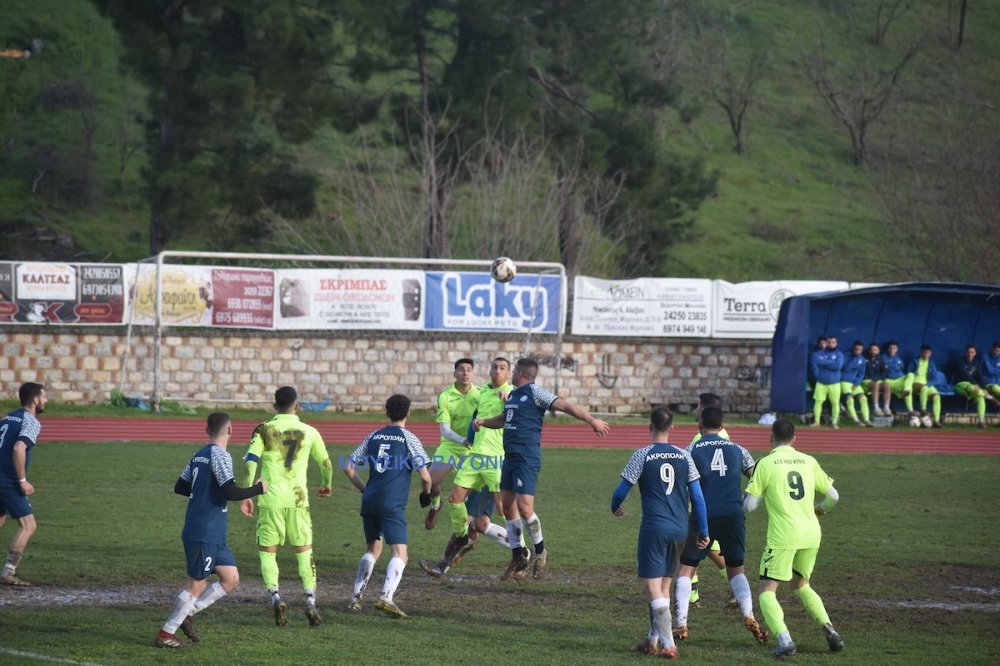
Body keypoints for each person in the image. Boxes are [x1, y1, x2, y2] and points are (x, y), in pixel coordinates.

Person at [476, 357, 610, 581]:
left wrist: (591, 420)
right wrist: (483, 422)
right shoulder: (513, 396)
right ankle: (518, 555)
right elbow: (503, 419)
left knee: (525, 509)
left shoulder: (536, 393)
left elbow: (565, 405)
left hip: (526, 458)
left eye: (513, 370)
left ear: (519, 372)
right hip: (509, 457)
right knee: (508, 508)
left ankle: (540, 551)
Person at [153, 413, 268, 648]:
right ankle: (166, 634)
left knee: (231, 579)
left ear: (207, 430)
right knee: (197, 584)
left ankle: (186, 614)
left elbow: (180, 486)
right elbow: (230, 492)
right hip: (203, 531)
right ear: (230, 430)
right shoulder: (221, 456)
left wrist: (204, 492)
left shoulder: (199, 455)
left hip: (215, 533)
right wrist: (257, 489)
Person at [610, 405, 709, 659]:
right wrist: (703, 529)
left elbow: (622, 490)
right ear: (672, 427)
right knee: (664, 586)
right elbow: (697, 497)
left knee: (651, 588)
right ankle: (652, 641)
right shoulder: (684, 455)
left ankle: (669, 645)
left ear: (650, 427)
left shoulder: (642, 455)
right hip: (680, 528)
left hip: (654, 528)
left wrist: (615, 505)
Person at [744, 418, 844, 658]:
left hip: (783, 537)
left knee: (767, 591)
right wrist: (820, 508)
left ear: (771, 437)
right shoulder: (808, 461)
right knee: (802, 585)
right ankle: (829, 628)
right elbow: (834, 496)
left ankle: (785, 639)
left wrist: (756, 495)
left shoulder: (765, 464)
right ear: (794, 438)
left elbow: (749, 506)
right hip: (811, 533)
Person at [672, 406, 767, 646]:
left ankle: (681, 622)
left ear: (699, 426)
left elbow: (680, 485)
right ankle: (749, 615)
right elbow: (757, 477)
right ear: (723, 426)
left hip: (704, 516)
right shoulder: (738, 449)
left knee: (686, 569)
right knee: (736, 569)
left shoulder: (691, 450)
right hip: (734, 515)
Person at [240, 386, 333, 627]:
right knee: (304, 552)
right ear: (297, 406)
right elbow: (325, 462)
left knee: (267, 552)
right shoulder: (310, 431)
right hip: (298, 500)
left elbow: (251, 462)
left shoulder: (263, 429)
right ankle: (310, 601)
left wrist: (247, 493)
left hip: (270, 500)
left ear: (274, 406)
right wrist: (326, 484)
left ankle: (276, 598)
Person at [420, 357, 519, 577]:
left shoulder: (512, 394)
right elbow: (472, 421)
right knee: (463, 508)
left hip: (494, 461)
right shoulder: (483, 392)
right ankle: (448, 555)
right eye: (494, 367)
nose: (496, 371)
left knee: (499, 513)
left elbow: (518, 415)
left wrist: (508, 402)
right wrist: (470, 435)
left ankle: (522, 552)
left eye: (502, 368)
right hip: (473, 456)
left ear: (509, 373)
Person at [343, 394, 433, 618]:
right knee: (400, 554)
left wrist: (365, 490)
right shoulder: (409, 438)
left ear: (386, 411)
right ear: (408, 413)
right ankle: (386, 597)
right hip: (391, 503)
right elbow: (425, 475)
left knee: (372, 549)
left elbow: (348, 467)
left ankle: (355, 599)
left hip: (370, 499)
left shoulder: (374, 435)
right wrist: (426, 493)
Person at [424, 358, 481, 530]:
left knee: (465, 495)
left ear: (473, 373)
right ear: (455, 373)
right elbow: (445, 430)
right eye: (461, 369)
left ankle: (466, 529)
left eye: (469, 369)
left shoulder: (481, 394)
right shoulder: (446, 396)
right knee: (429, 483)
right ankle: (435, 505)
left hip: (472, 449)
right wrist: (463, 440)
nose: (465, 373)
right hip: (450, 446)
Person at [0, 382, 47, 587]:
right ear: (35, 400)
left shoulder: (7, 418)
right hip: (8, 479)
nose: (45, 400)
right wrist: (22, 480)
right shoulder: (31, 421)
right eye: (44, 397)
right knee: (28, 525)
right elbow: (19, 448)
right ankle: (9, 572)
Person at [954, 344, 998, 429]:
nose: (970, 354)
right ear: (965, 352)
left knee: (980, 398)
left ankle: (981, 421)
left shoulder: (976, 363)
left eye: (972, 352)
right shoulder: (960, 361)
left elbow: (980, 377)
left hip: (974, 388)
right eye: (968, 352)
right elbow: (965, 375)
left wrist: (984, 389)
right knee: (972, 387)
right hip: (961, 385)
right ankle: (991, 398)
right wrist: (976, 384)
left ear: (975, 353)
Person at [905, 344, 943, 428]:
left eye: (927, 353)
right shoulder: (915, 361)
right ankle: (923, 409)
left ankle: (936, 420)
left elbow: (934, 378)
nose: (925, 355)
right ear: (920, 352)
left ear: (930, 353)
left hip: (927, 384)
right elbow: (909, 373)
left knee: (937, 397)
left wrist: (929, 384)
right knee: (924, 387)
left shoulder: (932, 364)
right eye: (923, 353)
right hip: (915, 383)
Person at [810, 335, 843, 428]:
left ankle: (834, 422)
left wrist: (824, 362)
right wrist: (832, 362)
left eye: (833, 342)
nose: (831, 344)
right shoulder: (818, 353)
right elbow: (817, 362)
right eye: (829, 342)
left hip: (835, 382)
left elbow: (838, 366)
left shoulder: (839, 354)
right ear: (826, 343)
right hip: (821, 381)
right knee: (818, 402)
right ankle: (817, 421)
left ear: (836, 343)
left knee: (835, 403)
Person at [840, 340, 873, 427]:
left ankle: (867, 420)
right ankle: (856, 421)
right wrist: (852, 359)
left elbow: (861, 373)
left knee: (863, 399)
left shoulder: (862, 359)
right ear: (853, 349)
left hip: (854, 382)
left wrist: (856, 383)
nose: (858, 351)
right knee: (850, 399)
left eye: (860, 349)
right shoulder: (845, 355)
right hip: (844, 381)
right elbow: (844, 367)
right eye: (856, 349)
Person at [879, 340, 907, 417]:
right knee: (888, 385)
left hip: (898, 380)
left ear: (897, 349)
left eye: (894, 348)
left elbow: (901, 370)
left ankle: (911, 411)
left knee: (910, 376)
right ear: (887, 349)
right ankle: (887, 408)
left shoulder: (899, 360)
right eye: (890, 348)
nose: (891, 350)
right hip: (887, 380)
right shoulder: (882, 358)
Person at [863, 342, 888, 417]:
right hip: (865, 380)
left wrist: (877, 378)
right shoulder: (864, 358)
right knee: (875, 385)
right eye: (871, 350)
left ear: (878, 351)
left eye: (875, 350)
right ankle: (876, 408)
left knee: (887, 385)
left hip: (876, 380)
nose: (873, 352)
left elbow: (885, 372)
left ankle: (886, 408)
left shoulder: (880, 359)